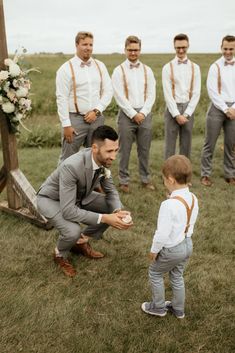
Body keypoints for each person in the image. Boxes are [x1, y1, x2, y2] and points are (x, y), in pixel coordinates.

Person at [37, 126, 132, 277]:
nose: (114, 156)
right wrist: (106, 218)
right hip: (52, 199)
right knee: (72, 230)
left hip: (79, 197)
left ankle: (80, 242)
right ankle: (59, 254)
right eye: (109, 151)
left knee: (112, 206)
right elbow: (68, 210)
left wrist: (116, 212)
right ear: (95, 148)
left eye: (116, 150)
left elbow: (111, 190)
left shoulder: (103, 161)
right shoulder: (71, 166)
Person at [141, 155, 199, 319]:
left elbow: (162, 233)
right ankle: (178, 309)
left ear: (171, 180)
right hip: (188, 244)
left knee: (155, 274)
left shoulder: (168, 205)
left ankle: (158, 307)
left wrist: (154, 250)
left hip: (172, 248)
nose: (164, 182)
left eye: (164, 179)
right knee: (177, 275)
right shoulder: (193, 198)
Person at [56, 31, 113, 163]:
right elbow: (61, 98)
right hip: (74, 120)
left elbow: (108, 91)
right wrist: (66, 125)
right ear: (77, 45)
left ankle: (91, 184)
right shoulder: (65, 69)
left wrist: (97, 111)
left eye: (91, 44)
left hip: (97, 118)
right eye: (84, 44)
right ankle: (63, 184)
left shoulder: (100, 66)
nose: (88, 47)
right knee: (67, 159)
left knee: (96, 157)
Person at [112, 35, 156, 193]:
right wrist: (132, 113)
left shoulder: (147, 70)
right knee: (124, 150)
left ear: (140, 50)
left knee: (144, 149)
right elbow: (119, 96)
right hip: (126, 115)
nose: (133, 53)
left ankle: (145, 179)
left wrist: (143, 112)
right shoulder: (118, 71)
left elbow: (151, 94)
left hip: (145, 114)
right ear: (125, 50)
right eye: (130, 50)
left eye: (136, 50)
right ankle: (124, 181)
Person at [201, 35, 235, 186]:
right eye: (225, 48)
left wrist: (233, 108)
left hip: (234, 109)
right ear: (221, 48)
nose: (228, 52)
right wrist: (225, 108)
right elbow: (212, 90)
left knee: (231, 144)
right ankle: (205, 174)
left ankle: (230, 174)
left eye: (231, 49)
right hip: (217, 107)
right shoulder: (215, 66)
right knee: (210, 143)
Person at [162, 34, 201, 159]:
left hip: (189, 108)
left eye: (183, 47)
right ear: (174, 46)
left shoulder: (195, 68)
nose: (181, 50)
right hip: (172, 108)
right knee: (170, 146)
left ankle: (184, 175)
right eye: (178, 47)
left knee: (186, 145)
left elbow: (196, 92)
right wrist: (176, 114)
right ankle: (168, 176)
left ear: (188, 46)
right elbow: (167, 94)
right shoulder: (167, 68)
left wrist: (187, 113)